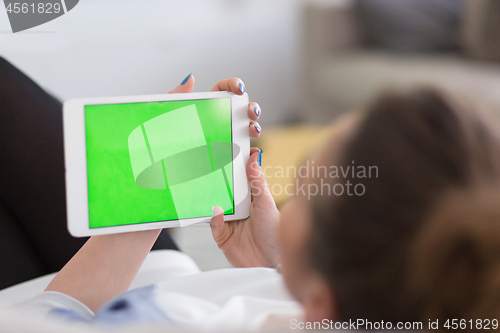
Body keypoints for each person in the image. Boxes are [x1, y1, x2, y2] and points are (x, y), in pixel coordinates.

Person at [2, 57, 500, 330]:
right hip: (170, 281)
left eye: (301, 191)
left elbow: (32, 323)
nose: (281, 201)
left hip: (85, 298)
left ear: (325, 301)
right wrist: (277, 267)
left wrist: (147, 205)